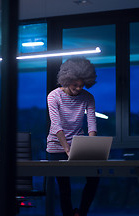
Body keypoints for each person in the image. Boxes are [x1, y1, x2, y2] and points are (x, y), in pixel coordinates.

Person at [46, 56, 99, 216]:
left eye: (82, 86)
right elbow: (56, 125)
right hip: (56, 146)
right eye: (75, 85)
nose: (78, 89)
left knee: (94, 179)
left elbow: (91, 124)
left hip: (78, 145)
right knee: (64, 187)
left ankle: (81, 213)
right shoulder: (53, 96)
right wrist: (67, 149)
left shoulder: (88, 97)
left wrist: (91, 146)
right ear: (66, 79)